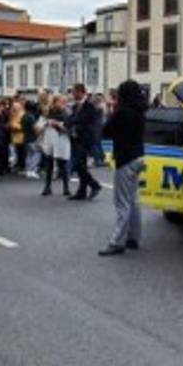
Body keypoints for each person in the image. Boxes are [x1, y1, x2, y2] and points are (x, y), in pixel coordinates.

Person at [99, 80, 148, 256]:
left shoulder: (122, 112)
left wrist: (112, 110)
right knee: (133, 200)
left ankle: (117, 242)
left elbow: (106, 131)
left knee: (122, 203)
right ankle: (134, 237)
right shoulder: (141, 111)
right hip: (138, 157)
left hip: (125, 159)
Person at [67, 84, 103, 201]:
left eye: (74, 92)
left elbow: (84, 120)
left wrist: (72, 124)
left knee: (78, 165)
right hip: (76, 139)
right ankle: (82, 191)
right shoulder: (75, 106)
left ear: (81, 92)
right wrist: (65, 123)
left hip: (85, 139)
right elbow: (71, 118)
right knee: (80, 165)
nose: (73, 94)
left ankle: (94, 185)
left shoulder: (89, 106)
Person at [40, 95, 72, 197]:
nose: (63, 104)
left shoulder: (67, 113)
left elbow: (69, 128)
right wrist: (46, 123)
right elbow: (40, 125)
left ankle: (66, 187)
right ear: (54, 102)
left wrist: (57, 125)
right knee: (49, 164)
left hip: (62, 140)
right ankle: (47, 187)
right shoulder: (48, 112)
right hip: (50, 140)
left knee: (63, 164)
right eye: (60, 102)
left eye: (64, 102)